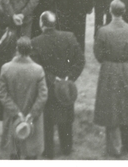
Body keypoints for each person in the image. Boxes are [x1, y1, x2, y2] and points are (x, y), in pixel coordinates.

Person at [93, 0, 128, 158]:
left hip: (109, 70)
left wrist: (108, 62)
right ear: (124, 11)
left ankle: (114, 148)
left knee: (112, 107)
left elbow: (98, 53)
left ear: (110, 11)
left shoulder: (103, 31)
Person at [30, 11, 84, 157]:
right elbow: (80, 61)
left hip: (48, 87)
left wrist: (53, 80)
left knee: (47, 120)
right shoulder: (69, 37)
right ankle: (66, 148)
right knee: (66, 117)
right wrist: (69, 78)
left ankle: (48, 151)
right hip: (66, 88)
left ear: (41, 24)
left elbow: (37, 68)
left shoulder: (35, 42)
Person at [0, 36, 47, 160]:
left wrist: (16, 112)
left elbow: (2, 94)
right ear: (30, 50)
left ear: (17, 49)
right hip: (32, 121)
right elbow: (43, 96)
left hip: (13, 118)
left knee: (14, 152)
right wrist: (32, 114)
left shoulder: (6, 68)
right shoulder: (38, 70)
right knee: (31, 153)